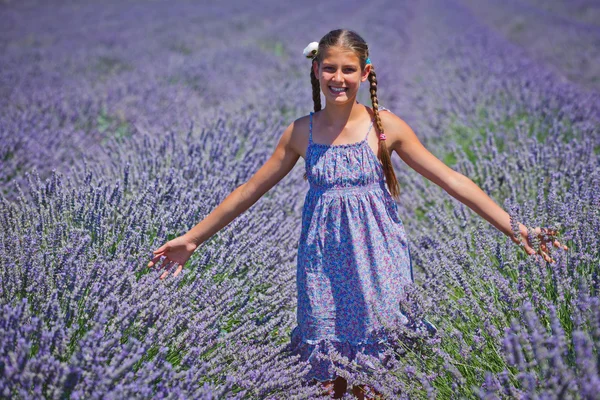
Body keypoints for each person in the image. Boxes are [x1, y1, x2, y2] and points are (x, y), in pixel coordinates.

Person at [147, 29, 568, 399]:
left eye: (348, 69)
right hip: (323, 266)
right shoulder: (300, 132)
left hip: (378, 262)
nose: (338, 78)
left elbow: (451, 179)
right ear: (316, 71)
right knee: (328, 373)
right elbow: (248, 191)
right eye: (329, 68)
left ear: (365, 72)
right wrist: (193, 238)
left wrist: (517, 229)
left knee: (382, 367)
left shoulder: (385, 127)